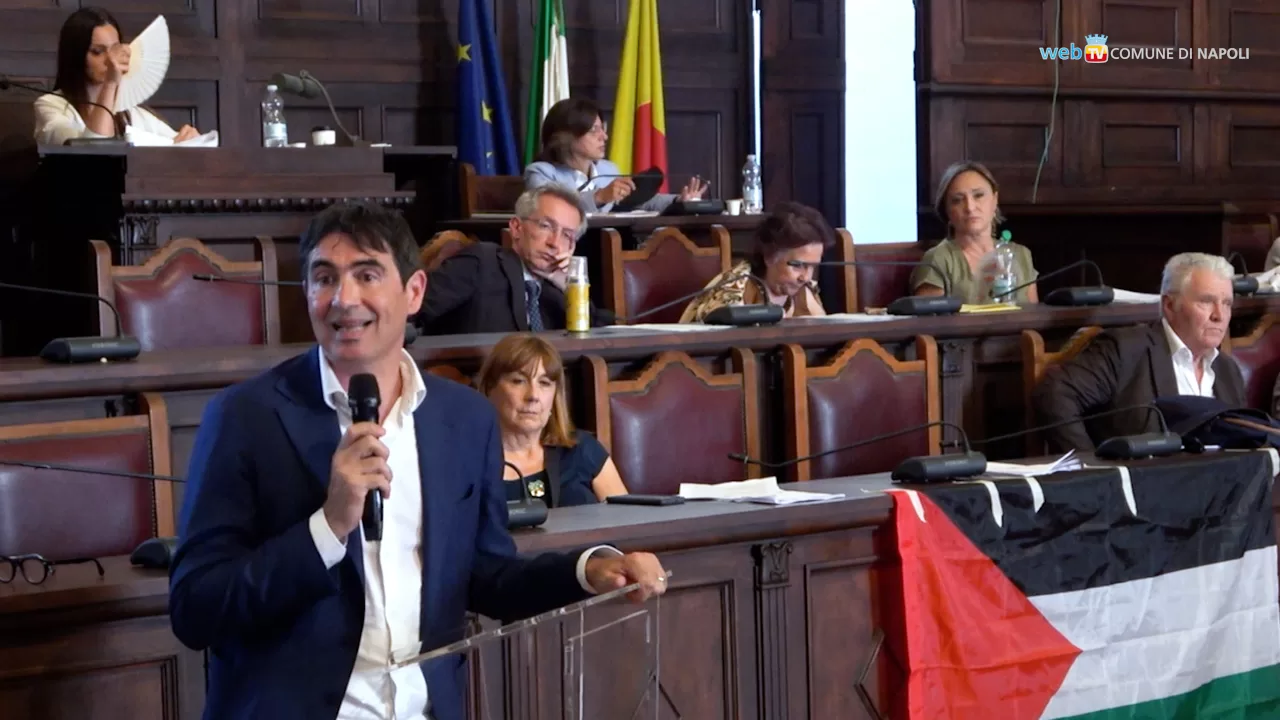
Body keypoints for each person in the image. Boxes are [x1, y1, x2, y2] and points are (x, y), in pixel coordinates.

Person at [168, 201, 667, 720]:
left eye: (367, 275)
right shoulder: (245, 416)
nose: (344, 299)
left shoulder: (464, 419)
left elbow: (489, 575)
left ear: (414, 292)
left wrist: (590, 569)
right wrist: (328, 526)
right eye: (324, 278)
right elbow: (195, 608)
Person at [1033, 252, 1245, 453]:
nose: (1219, 315)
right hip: (1147, 477)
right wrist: (1089, 464)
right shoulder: (1125, 350)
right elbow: (1055, 394)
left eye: (1227, 304)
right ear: (1170, 305)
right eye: (1206, 301)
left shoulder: (1228, 371)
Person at [417, 184, 615, 335]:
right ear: (516, 228)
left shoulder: (560, 292)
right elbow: (413, 311)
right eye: (546, 226)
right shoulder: (481, 262)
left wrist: (569, 286)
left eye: (567, 235)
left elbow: (599, 335)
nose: (555, 243)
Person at [478, 333, 627, 506]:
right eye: (518, 381)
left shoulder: (582, 449)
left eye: (544, 383)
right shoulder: (468, 462)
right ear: (490, 388)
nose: (533, 395)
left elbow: (628, 519)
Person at [34, 7, 201, 146]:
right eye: (98, 52)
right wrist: (111, 82)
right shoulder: (51, 106)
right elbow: (97, 150)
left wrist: (191, 141)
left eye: (115, 50)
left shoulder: (132, 113)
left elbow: (179, 143)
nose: (111, 60)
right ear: (75, 56)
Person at [524, 97, 707, 214]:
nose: (604, 137)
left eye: (602, 129)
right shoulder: (541, 172)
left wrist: (679, 201)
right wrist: (598, 197)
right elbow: (551, 208)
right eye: (594, 130)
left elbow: (639, 201)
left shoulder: (608, 169)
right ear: (567, 136)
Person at [680, 201, 832, 323]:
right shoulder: (733, 292)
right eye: (797, 265)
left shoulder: (805, 291)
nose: (805, 277)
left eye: (812, 267)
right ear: (769, 256)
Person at [910, 161, 1039, 304]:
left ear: (995, 200)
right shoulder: (939, 259)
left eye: (978, 195)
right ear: (947, 211)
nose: (970, 207)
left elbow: (1034, 315)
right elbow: (930, 316)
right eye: (957, 200)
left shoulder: (1021, 255)